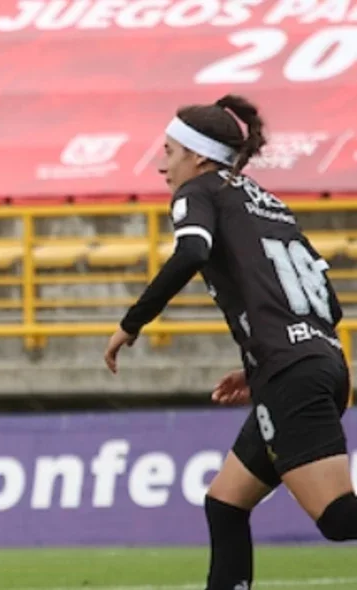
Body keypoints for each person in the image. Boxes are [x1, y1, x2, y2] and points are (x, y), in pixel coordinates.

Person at [104, 95, 356, 589]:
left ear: (198, 158)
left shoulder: (199, 191)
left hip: (291, 373)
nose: (161, 164)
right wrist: (261, 360)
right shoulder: (264, 200)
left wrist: (131, 323)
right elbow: (327, 301)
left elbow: (192, 251)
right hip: (317, 361)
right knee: (225, 502)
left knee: (339, 520)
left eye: (169, 151)